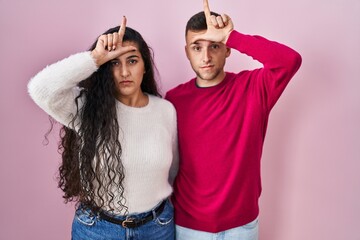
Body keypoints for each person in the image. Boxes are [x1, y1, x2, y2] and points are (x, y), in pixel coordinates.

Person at [28, 16, 178, 240]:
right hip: (97, 229)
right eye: (115, 63)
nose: (124, 72)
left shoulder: (166, 110)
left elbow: (173, 170)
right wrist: (95, 58)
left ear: (145, 66)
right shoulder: (87, 108)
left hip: (157, 227)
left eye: (132, 61)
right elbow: (40, 89)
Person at [165, 0, 302, 239]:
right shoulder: (174, 99)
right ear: (187, 52)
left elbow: (289, 61)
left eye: (215, 46)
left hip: (242, 226)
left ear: (227, 49)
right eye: (197, 47)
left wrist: (232, 35)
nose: (206, 56)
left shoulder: (253, 88)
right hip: (189, 227)